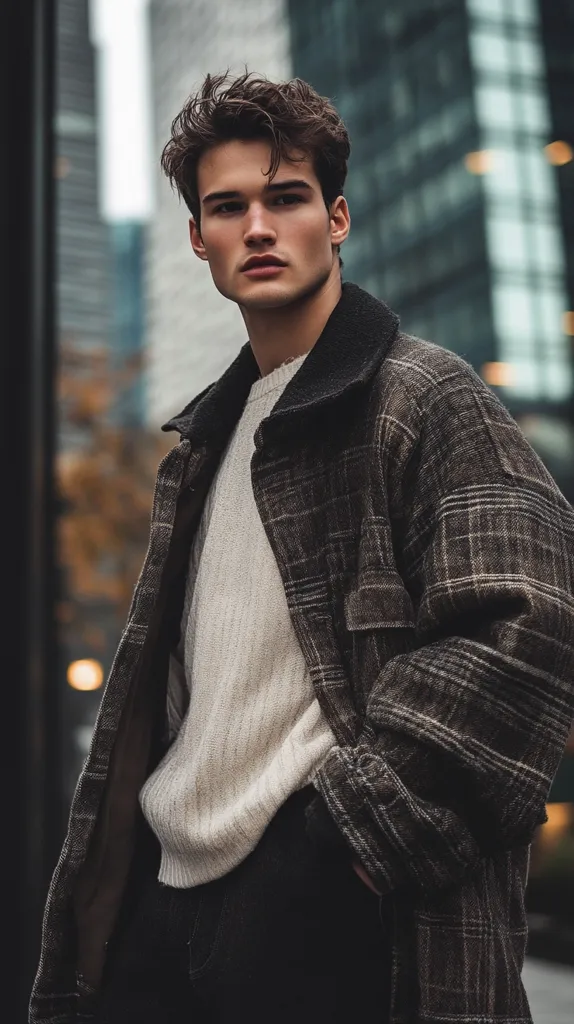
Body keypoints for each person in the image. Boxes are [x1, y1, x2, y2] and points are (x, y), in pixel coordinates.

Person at [31, 72, 574, 1024]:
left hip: (324, 908)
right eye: (227, 207)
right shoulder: (199, 444)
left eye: (286, 198)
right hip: (167, 905)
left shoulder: (424, 396)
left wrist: (343, 850)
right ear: (199, 240)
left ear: (338, 216)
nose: (258, 227)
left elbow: (524, 630)